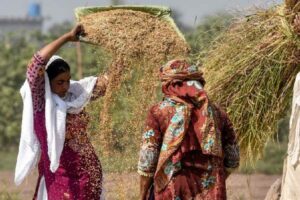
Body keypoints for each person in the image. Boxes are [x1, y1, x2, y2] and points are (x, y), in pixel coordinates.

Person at [14, 24, 108, 199]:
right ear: (46, 83)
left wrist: (119, 52)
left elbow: (104, 85)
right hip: (61, 180)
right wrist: (67, 38)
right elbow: (36, 64)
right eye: (60, 82)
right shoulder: (41, 104)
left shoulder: (74, 97)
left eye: (68, 80)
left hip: (88, 177)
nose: (66, 86)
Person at [137, 59, 240, 200]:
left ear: (170, 84)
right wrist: (214, 180)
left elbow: (147, 161)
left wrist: (142, 194)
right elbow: (233, 159)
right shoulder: (218, 114)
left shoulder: (158, 112)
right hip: (211, 193)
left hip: (173, 190)